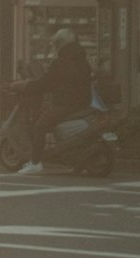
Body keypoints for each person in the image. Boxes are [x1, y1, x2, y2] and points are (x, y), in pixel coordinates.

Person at [18, 26, 92, 175]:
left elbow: (45, 83)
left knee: (40, 126)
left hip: (64, 104)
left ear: (60, 44)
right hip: (84, 103)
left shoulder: (60, 62)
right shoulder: (83, 60)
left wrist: (26, 86)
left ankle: (35, 162)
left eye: (56, 44)